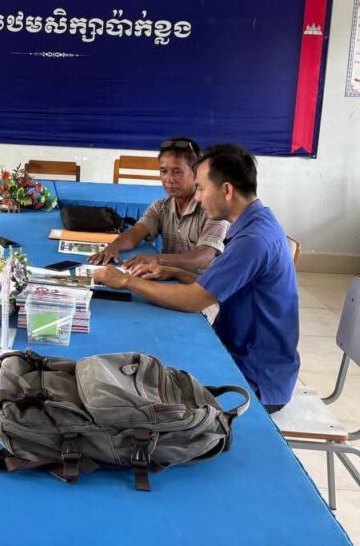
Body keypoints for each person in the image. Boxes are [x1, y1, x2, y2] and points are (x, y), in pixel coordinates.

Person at [93, 144, 300, 414]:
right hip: (241, 353)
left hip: (252, 377)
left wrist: (126, 281)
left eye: (201, 188)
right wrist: (175, 272)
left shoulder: (253, 240)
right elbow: (218, 285)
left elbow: (194, 300)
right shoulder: (256, 223)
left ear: (227, 190)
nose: (198, 198)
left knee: (133, 389)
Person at [88, 137, 228, 274]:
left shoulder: (213, 210)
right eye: (163, 171)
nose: (169, 179)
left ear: (196, 173)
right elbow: (135, 234)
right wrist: (114, 247)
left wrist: (158, 259)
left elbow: (204, 258)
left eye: (177, 172)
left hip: (200, 284)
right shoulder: (161, 207)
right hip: (167, 277)